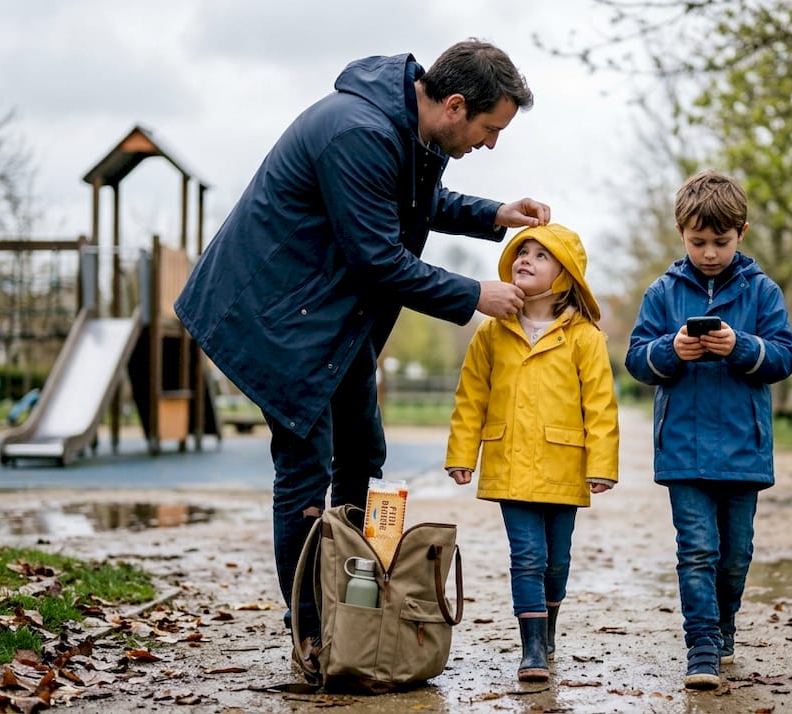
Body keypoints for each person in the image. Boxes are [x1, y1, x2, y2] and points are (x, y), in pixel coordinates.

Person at [172, 39, 551, 683]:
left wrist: (495, 214)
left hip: (324, 315)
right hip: (277, 314)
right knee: (304, 468)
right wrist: (473, 295)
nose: (489, 144)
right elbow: (377, 259)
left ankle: (352, 612)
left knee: (363, 454)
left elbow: (414, 205)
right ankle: (314, 635)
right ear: (456, 106)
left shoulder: (410, 130)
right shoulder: (359, 132)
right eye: (490, 130)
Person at [623, 170, 792, 690]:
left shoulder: (764, 292)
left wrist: (740, 347)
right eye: (698, 242)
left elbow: (785, 355)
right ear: (681, 233)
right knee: (696, 548)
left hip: (744, 450)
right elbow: (635, 359)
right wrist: (669, 352)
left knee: (736, 552)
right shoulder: (662, 293)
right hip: (683, 449)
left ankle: (723, 625)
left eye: (720, 242)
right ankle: (700, 644)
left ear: (740, 233)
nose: (709, 253)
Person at [444, 223, 619, 682]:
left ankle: (550, 627)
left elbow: (600, 405)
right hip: (511, 462)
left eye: (542, 255)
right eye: (523, 250)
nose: (526, 258)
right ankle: (533, 649)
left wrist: (602, 464)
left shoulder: (585, 337)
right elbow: (471, 397)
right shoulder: (492, 333)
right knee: (526, 555)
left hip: (565, 464)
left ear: (565, 275)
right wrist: (462, 453)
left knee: (556, 560)